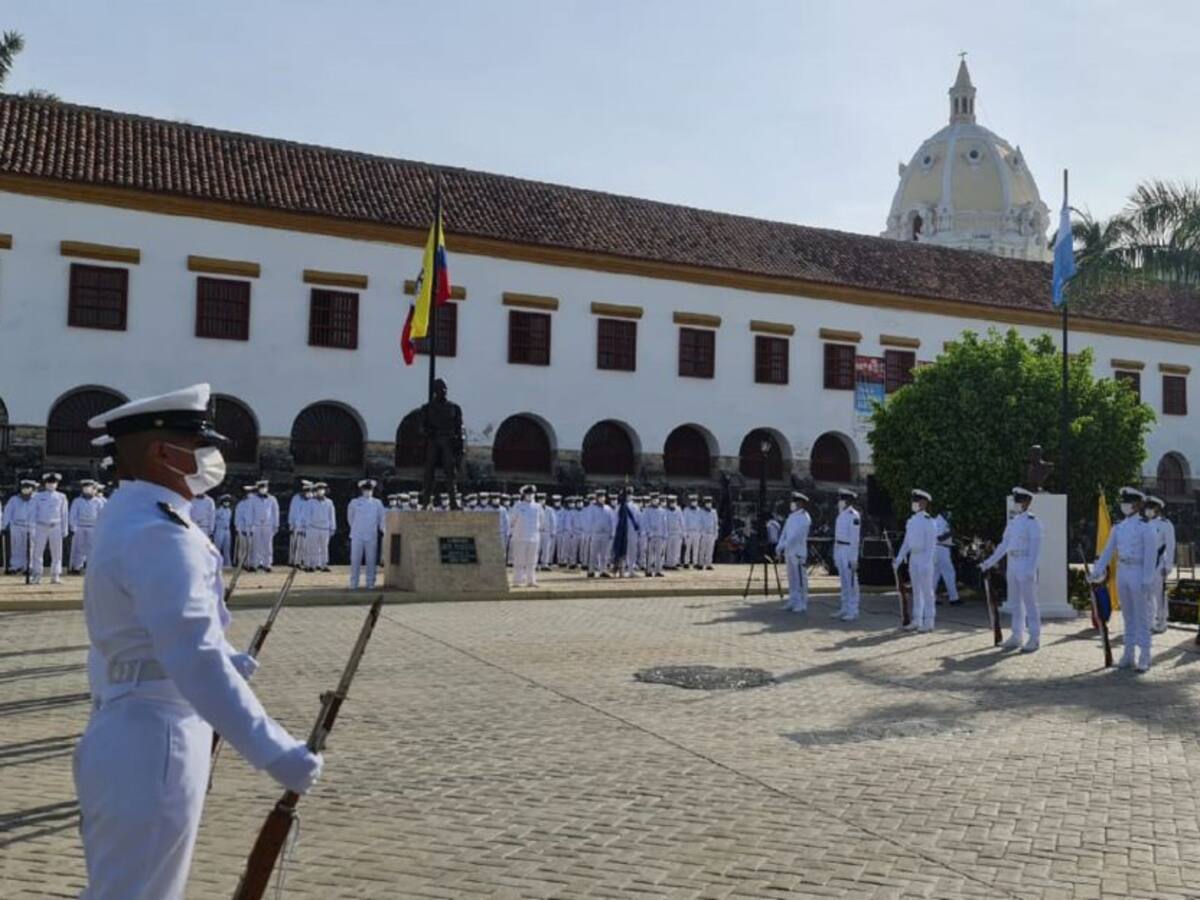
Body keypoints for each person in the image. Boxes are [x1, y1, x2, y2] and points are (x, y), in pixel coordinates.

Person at [75, 383, 321, 900]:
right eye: (198, 442)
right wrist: (276, 752)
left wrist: (223, 659)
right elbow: (193, 655)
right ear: (164, 452)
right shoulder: (160, 532)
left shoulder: (130, 515)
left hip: (127, 724)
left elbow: (132, 639)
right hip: (155, 737)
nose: (209, 456)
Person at [1091, 487, 1159, 671]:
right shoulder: (1118, 527)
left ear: (1137, 504)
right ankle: (1128, 654)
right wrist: (1096, 571)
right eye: (1123, 502)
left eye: (1128, 502)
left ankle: (1144, 655)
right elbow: (1107, 551)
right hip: (1123, 571)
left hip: (1138, 572)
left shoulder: (1146, 527)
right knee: (1127, 615)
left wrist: (1147, 579)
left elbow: (1151, 556)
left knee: (1142, 616)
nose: (1124, 505)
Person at [981, 487, 1043, 651]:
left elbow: (1036, 548)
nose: (1016, 504)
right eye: (1016, 501)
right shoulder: (1013, 522)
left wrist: (1031, 568)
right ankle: (1017, 635)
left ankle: (1035, 637)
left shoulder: (1033, 522)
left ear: (1027, 502)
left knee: (1030, 603)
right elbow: (1003, 546)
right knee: (1015, 602)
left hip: (1025, 563)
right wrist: (988, 562)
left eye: (1020, 501)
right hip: (1013, 563)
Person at [894, 489, 938, 633]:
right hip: (914, 557)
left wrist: (927, 562)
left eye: (916, 501)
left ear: (923, 503)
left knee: (927, 591)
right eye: (913, 501)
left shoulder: (929, 521)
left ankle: (929, 621)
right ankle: (917, 619)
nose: (914, 504)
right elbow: (907, 542)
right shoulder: (911, 521)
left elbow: (931, 545)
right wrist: (899, 557)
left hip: (924, 558)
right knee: (916, 590)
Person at [1144, 495, 1176, 634]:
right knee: (1147, 594)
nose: (1148, 510)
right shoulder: (1143, 524)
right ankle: (1149, 621)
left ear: (1157, 508)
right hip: (1145, 563)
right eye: (1147, 507)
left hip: (1159, 563)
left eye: (1151, 508)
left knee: (1160, 594)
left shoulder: (1165, 524)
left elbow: (1170, 545)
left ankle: (1162, 621)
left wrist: (1168, 565)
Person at [30, 472, 70, 584]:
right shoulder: (37, 496)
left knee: (57, 552)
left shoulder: (61, 497)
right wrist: (32, 528)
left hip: (55, 526)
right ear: (45, 484)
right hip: (41, 525)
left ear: (57, 484)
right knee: (38, 551)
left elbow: (64, 514)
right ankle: (37, 575)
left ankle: (55, 575)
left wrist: (64, 528)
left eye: (53, 483)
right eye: (49, 482)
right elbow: (33, 512)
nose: (51, 485)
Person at [776, 492, 812, 612]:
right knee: (791, 578)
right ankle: (793, 600)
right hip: (789, 551)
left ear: (801, 503)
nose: (793, 504)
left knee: (800, 578)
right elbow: (785, 532)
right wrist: (779, 544)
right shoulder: (792, 516)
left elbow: (796, 536)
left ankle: (802, 602)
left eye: (795, 501)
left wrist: (783, 545)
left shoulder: (805, 517)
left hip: (798, 552)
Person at [347, 479, 386, 589]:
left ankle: (370, 583)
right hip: (357, 535)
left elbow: (381, 518)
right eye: (366, 490)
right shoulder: (354, 502)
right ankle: (354, 583)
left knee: (371, 560)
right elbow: (350, 518)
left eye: (370, 490)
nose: (368, 492)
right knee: (355, 560)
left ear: (373, 490)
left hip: (371, 535)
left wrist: (382, 529)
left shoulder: (377, 503)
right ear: (362, 490)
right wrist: (356, 529)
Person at [832, 488, 862, 621]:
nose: (840, 501)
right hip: (840, 548)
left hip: (849, 550)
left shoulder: (853, 515)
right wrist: (835, 553)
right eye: (840, 499)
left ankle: (853, 609)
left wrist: (853, 558)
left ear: (849, 500)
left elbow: (855, 539)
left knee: (851, 581)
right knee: (844, 581)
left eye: (842, 499)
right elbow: (837, 536)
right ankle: (844, 607)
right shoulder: (841, 514)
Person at [69, 479, 107, 574]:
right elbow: (73, 514)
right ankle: (77, 566)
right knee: (79, 547)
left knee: (92, 548)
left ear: (93, 489)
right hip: (80, 526)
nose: (87, 490)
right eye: (85, 488)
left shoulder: (98, 501)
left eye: (89, 488)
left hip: (93, 527)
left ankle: (91, 567)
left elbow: (101, 515)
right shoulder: (77, 501)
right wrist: (73, 526)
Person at [4, 479, 37, 574]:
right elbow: (7, 512)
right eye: (24, 488)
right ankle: (16, 566)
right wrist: (4, 525)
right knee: (16, 547)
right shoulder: (14, 499)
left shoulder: (37, 499)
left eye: (28, 488)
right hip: (16, 526)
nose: (25, 489)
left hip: (31, 526)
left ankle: (29, 566)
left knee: (31, 547)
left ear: (33, 489)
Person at [249, 480, 279, 571]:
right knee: (256, 545)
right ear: (258, 489)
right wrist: (250, 525)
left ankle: (268, 564)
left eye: (264, 487)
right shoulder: (252, 499)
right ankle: (255, 564)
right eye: (261, 488)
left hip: (268, 524)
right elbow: (250, 512)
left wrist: (276, 524)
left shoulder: (272, 499)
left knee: (268, 545)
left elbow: (275, 512)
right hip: (256, 524)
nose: (263, 489)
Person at [931, 508, 960, 605]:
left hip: (939, 550)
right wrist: (951, 533)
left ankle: (931, 599)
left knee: (935, 576)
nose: (950, 515)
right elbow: (938, 537)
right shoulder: (938, 522)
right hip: (940, 550)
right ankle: (954, 598)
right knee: (949, 573)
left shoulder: (942, 521)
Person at [307, 482, 336, 572]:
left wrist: (333, 527)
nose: (321, 491)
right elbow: (307, 515)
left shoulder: (329, 502)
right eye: (319, 489)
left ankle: (324, 565)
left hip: (325, 528)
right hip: (313, 527)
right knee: (313, 547)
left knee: (324, 547)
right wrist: (307, 527)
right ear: (316, 491)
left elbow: (332, 515)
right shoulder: (311, 502)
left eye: (322, 489)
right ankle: (313, 565)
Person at [586, 491, 615, 578]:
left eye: (603, 497)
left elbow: (612, 521)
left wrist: (612, 532)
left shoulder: (608, 508)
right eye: (600, 497)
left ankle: (603, 570)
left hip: (606, 533)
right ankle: (591, 570)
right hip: (596, 533)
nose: (602, 498)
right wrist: (589, 533)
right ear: (597, 498)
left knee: (605, 554)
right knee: (593, 553)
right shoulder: (592, 508)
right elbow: (589, 521)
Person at [612, 490, 641, 577]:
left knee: (632, 551)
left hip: (632, 532)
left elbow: (639, 519)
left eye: (629, 494)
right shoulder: (619, 507)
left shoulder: (635, 507)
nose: (628, 496)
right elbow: (615, 520)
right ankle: (622, 570)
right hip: (622, 532)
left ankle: (631, 570)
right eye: (626, 495)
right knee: (622, 552)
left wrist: (639, 531)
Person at [287, 481, 313, 564]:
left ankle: (304, 561)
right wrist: (291, 524)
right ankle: (294, 561)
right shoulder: (296, 498)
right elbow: (292, 511)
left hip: (309, 525)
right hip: (297, 525)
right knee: (295, 544)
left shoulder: (312, 498)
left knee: (306, 545)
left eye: (308, 489)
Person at [643, 494, 667, 577]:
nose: (655, 501)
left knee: (659, 554)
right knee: (650, 554)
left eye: (656, 499)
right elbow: (645, 522)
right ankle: (648, 570)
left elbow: (664, 523)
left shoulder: (662, 511)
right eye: (653, 499)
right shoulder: (647, 510)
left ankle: (658, 571)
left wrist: (665, 535)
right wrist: (648, 532)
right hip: (651, 536)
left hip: (660, 535)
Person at [234, 485, 255, 569]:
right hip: (243, 528)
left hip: (253, 528)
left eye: (249, 492)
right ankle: (241, 563)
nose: (248, 494)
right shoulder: (241, 504)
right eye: (246, 492)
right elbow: (238, 517)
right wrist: (239, 528)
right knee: (242, 547)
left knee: (252, 547)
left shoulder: (255, 503)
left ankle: (250, 563)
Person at [698, 496, 719, 570]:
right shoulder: (701, 512)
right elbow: (699, 523)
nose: (708, 504)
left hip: (711, 533)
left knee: (710, 550)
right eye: (707, 502)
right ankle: (700, 564)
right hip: (703, 533)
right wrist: (700, 533)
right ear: (704, 503)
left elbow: (715, 523)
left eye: (709, 502)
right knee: (702, 549)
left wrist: (716, 533)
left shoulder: (714, 512)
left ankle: (708, 564)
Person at [682, 494, 702, 569]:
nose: (694, 502)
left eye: (695, 501)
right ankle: (686, 562)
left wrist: (700, 532)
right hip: (689, 532)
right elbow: (684, 522)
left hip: (697, 532)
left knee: (696, 548)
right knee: (687, 548)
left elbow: (701, 522)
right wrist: (685, 533)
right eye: (692, 501)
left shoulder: (699, 510)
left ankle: (695, 562)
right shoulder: (686, 510)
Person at [664, 495, 684, 569]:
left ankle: (674, 563)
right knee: (669, 549)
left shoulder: (678, 510)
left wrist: (682, 532)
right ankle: (668, 564)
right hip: (668, 533)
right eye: (671, 502)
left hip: (676, 533)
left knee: (676, 549)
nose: (672, 503)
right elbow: (664, 522)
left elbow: (682, 522)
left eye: (673, 501)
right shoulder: (665, 511)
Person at [213, 495, 234, 567]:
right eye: (225, 501)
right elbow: (214, 521)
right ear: (222, 502)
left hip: (227, 531)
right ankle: (215, 564)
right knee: (217, 547)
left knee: (227, 548)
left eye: (228, 501)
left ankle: (227, 564)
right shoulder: (218, 511)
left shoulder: (229, 511)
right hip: (219, 530)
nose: (227, 502)